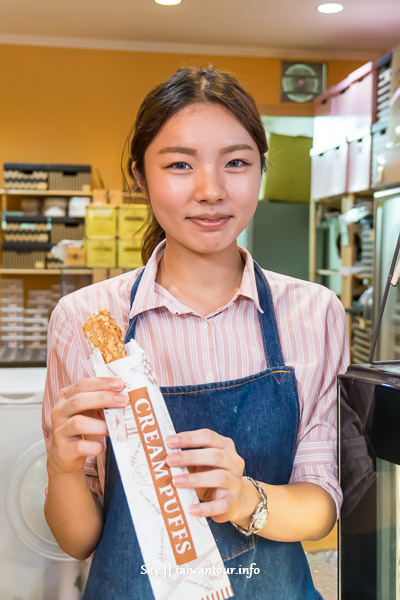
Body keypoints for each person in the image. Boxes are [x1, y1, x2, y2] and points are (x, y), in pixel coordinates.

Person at [43, 66, 349, 599]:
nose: (211, 190)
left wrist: (244, 499)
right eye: (180, 164)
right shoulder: (85, 319)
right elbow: (79, 539)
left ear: (260, 172)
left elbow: (320, 506)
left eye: (236, 162)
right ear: (140, 176)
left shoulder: (315, 313)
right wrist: (63, 469)